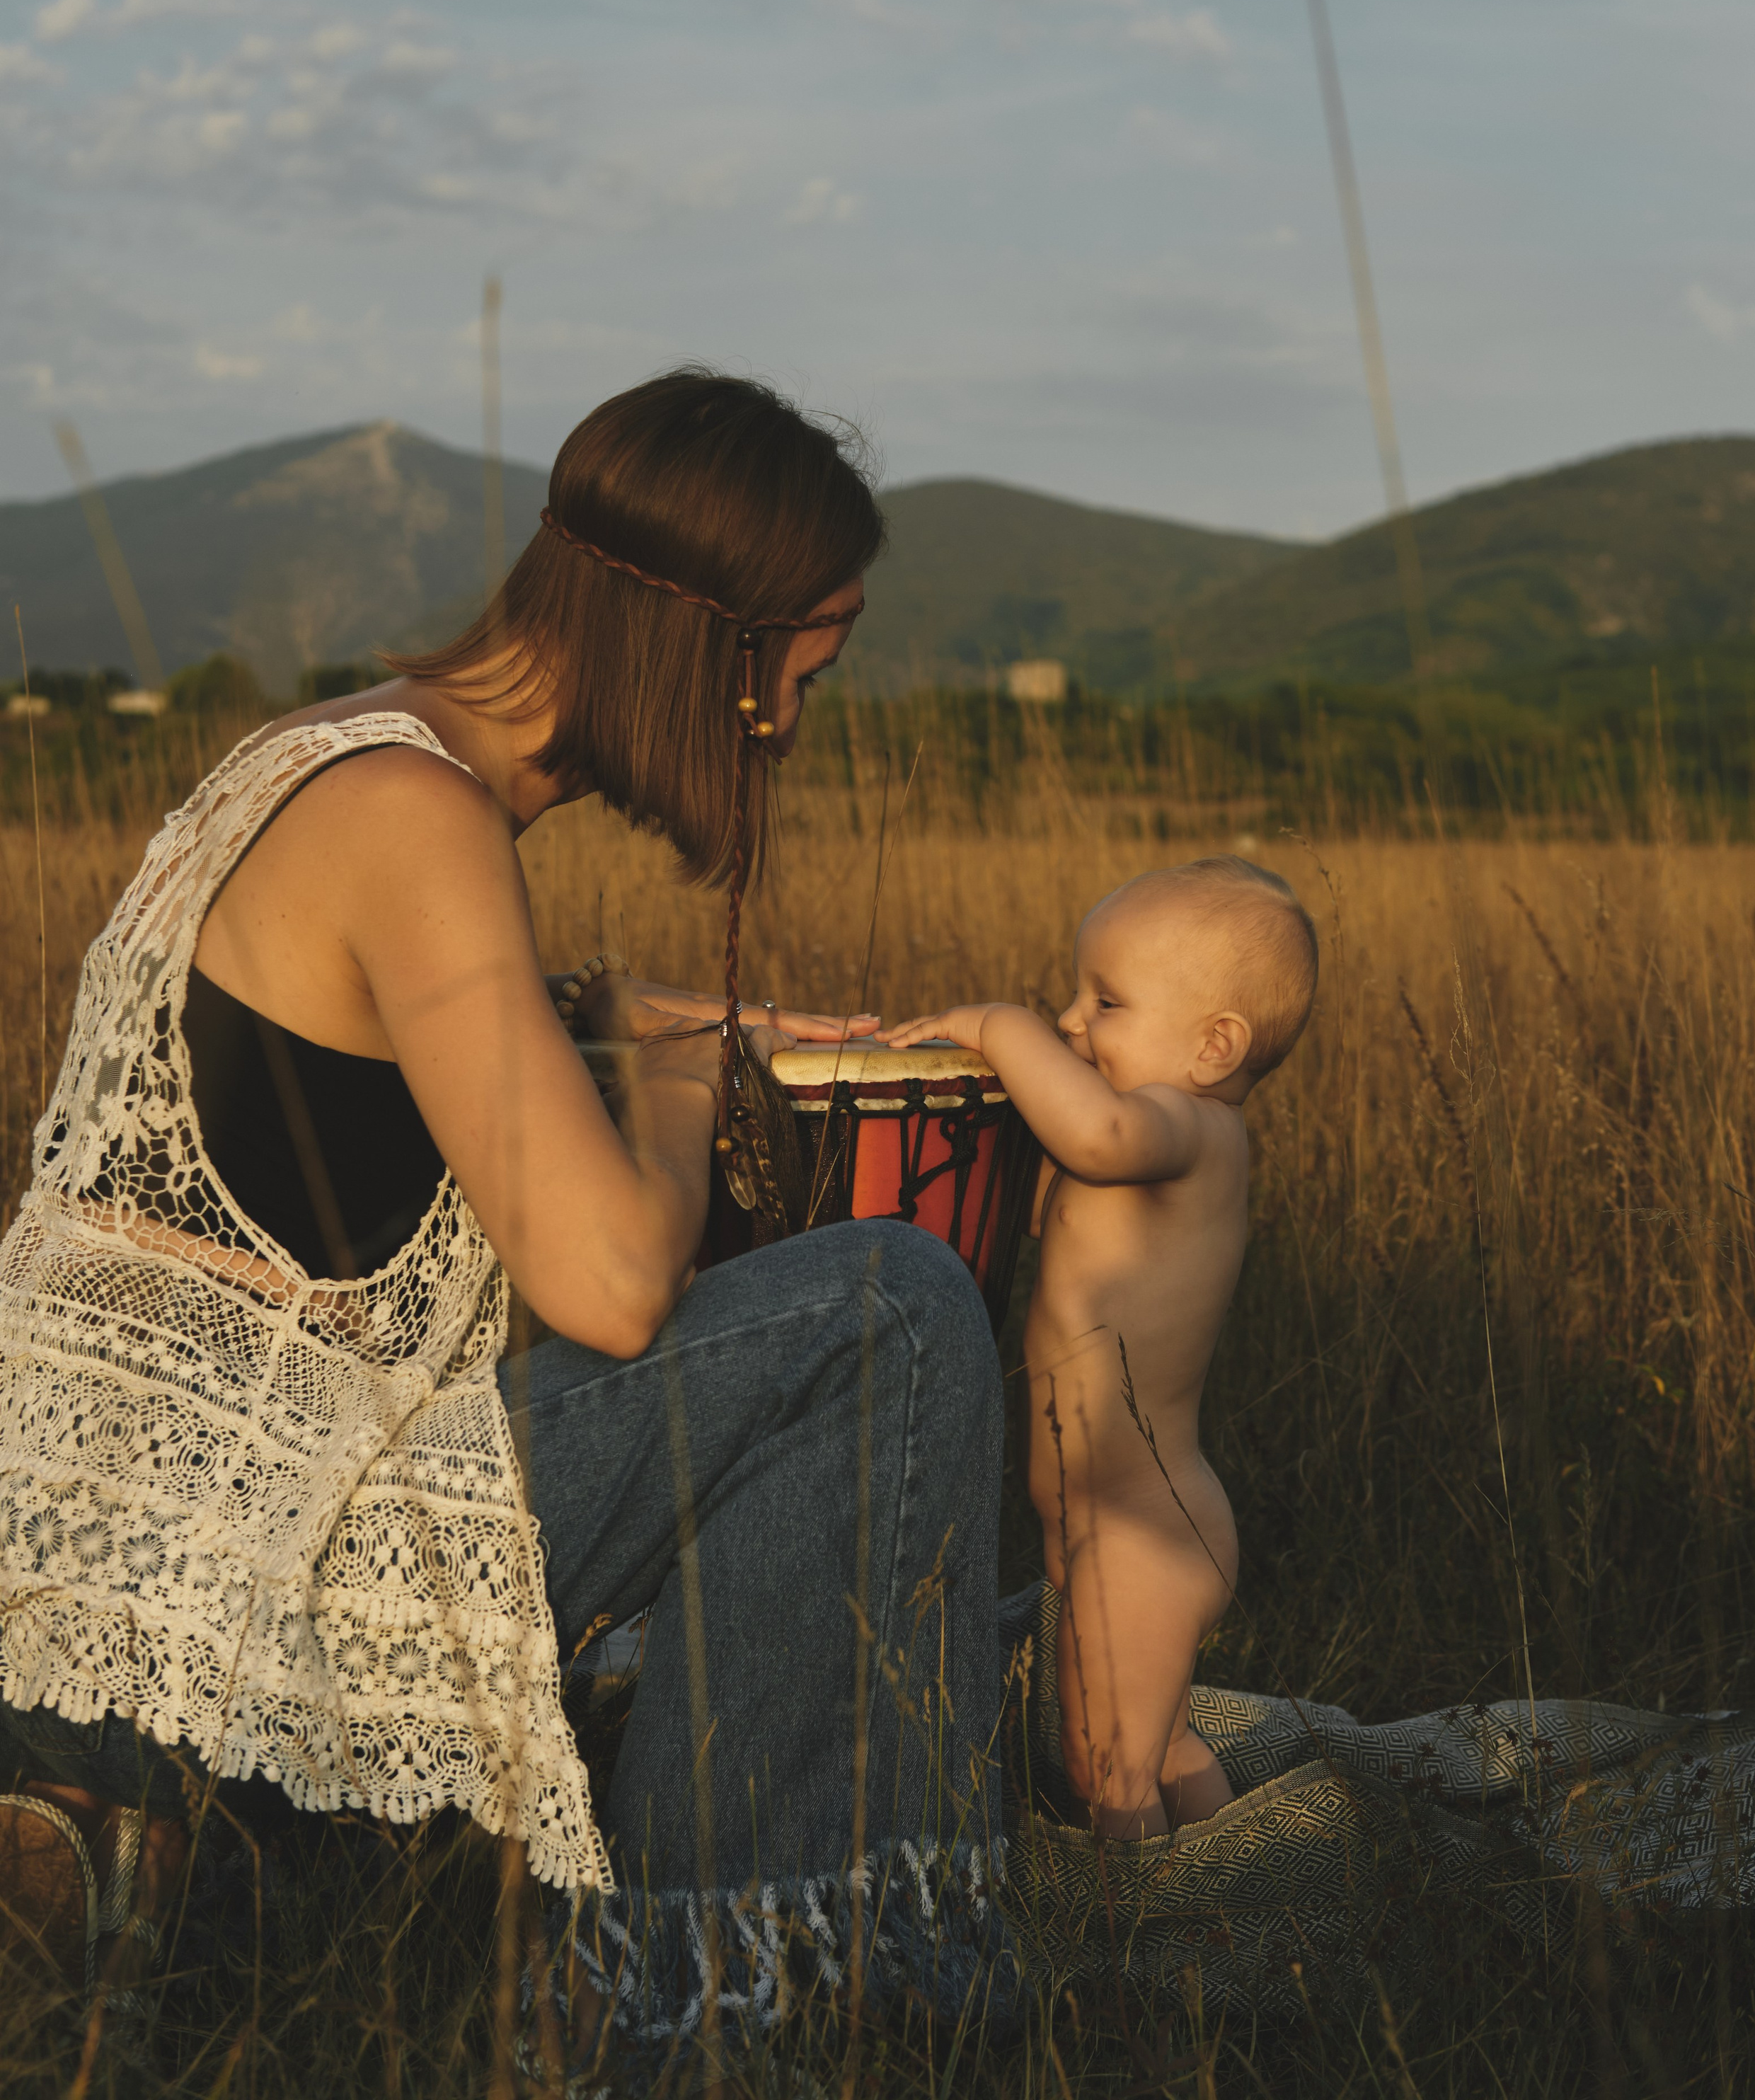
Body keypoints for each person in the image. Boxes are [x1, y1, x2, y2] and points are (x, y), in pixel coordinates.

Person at [0, 370, 1011, 2045]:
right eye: (794, 681)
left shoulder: (323, 754)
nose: (783, 732)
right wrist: (677, 1072)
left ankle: (164, 1870)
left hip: (117, 1570)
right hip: (190, 1598)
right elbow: (610, 1290)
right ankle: (748, 1989)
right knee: (879, 1309)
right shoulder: (414, 814)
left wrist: (619, 1011)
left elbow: (414, 1085)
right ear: (711, 648)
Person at [882, 856, 1318, 1838]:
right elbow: (1058, 1195)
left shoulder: (1185, 1129)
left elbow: (1097, 1133)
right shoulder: (1147, 1145)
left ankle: (1137, 1952)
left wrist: (1003, 1028)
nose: (1073, 1023)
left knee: (1107, 1771)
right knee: (1154, 1748)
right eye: (1071, 999)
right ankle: (1225, 1880)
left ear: (1215, 1047)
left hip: (1145, 1534)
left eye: (1106, 1002)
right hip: (1106, 1525)